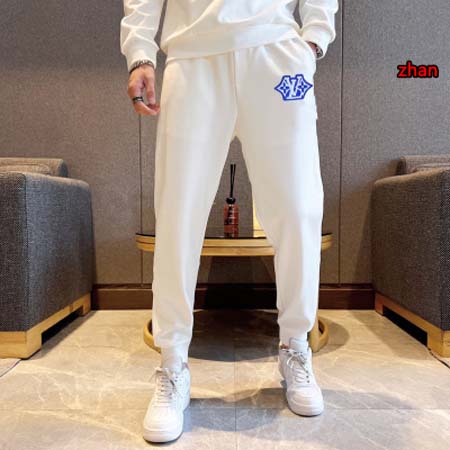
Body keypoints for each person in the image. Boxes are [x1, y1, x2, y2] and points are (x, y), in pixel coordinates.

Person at [120, 0, 338, 443]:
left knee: (298, 208)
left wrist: (315, 37)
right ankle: (173, 365)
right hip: (193, 54)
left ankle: (296, 346)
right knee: (178, 212)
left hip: (277, 53)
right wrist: (140, 51)